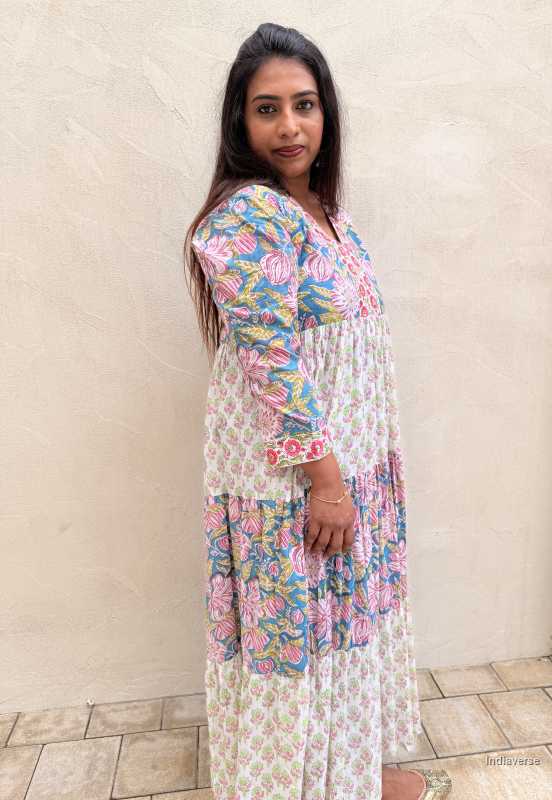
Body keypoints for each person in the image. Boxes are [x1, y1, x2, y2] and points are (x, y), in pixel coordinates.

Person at [183, 21, 452, 800]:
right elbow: (274, 369)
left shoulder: (327, 217)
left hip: (345, 474)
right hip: (297, 485)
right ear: (241, 122)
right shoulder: (247, 220)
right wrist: (326, 483)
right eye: (267, 109)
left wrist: (351, 480)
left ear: (326, 113)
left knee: (338, 632)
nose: (289, 125)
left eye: (304, 104)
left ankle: (345, 777)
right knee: (295, 640)